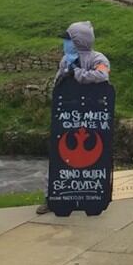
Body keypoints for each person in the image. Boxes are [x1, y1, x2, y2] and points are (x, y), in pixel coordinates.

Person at [37, 21, 111, 215]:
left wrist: (76, 73)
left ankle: (93, 198)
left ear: (79, 41)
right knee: (58, 158)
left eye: (68, 40)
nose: (65, 44)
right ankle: (52, 198)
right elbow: (58, 83)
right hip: (67, 116)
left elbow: (102, 75)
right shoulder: (65, 60)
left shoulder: (98, 58)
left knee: (94, 161)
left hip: (93, 117)